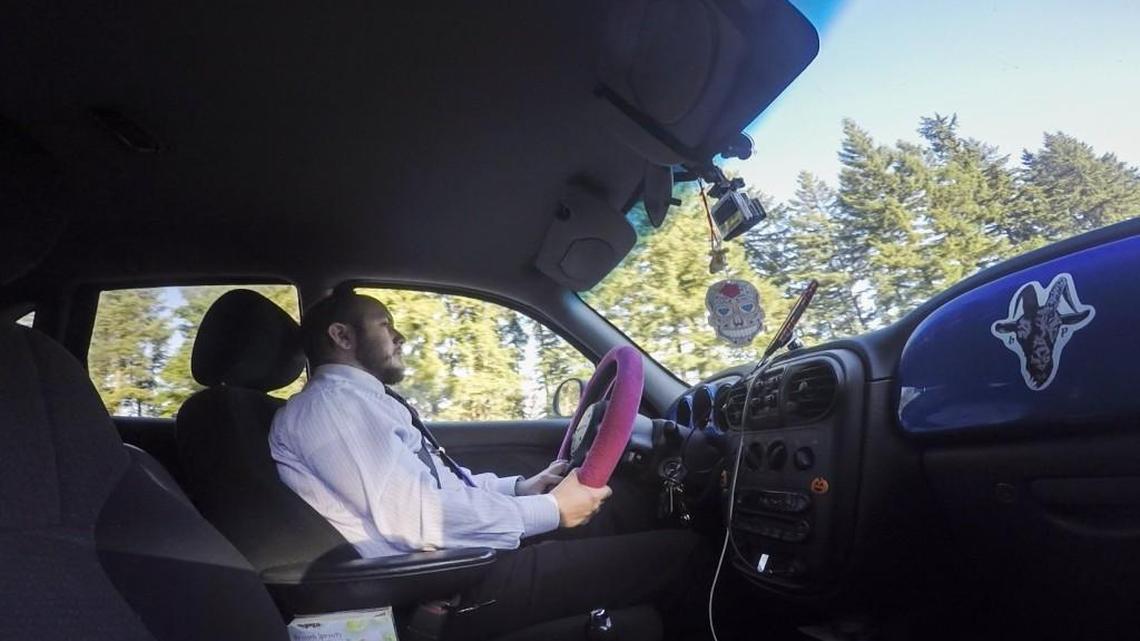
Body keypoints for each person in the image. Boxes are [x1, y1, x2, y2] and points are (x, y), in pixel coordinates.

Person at [269, 291, 713, 640]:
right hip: (442, 592)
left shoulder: (359, 402)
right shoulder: (332, 407)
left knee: (622, 513)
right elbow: (418, 518)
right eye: (385, 325)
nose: (399, 336)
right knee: (683, 553)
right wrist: (552, 510)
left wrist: (522, 489)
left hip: (456, 564)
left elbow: (439, 487)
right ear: (343, 336)